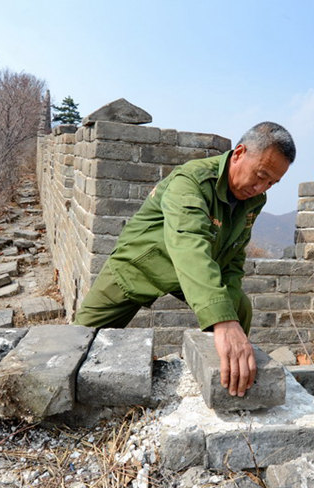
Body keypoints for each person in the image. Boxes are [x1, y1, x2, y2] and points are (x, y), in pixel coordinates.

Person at [75, 122, 295, 398]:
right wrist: (222, 320)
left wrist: (230, 315)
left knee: (237, 304)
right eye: (261, 175)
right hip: (140, 265)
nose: (262, 187)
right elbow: (189, 245)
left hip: (194, 272)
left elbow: (234, 255)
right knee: (79, 340)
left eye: (272, 183)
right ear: (239, 153)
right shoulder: (190, 181)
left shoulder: (254, 199)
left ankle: (228, 381)